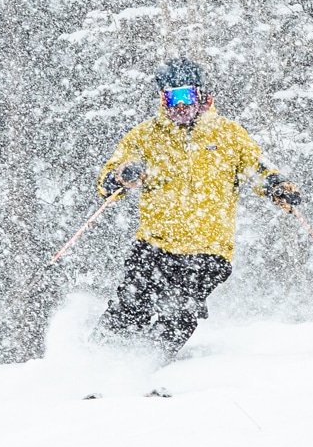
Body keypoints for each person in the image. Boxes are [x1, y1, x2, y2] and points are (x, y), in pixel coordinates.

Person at [94, 56, 301, 361]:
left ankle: (144, 369)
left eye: (186, 95)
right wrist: (121, 175)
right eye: (171, 97)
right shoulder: (145, 137)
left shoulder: (228, 135)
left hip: (207, 250)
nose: (179, 105)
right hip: (155, 245)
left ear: (201, 94)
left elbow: (257, 168)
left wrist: (276, 186)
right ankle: (93, 365)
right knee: (131, 305)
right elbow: (108, 181)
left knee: (179, 309)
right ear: (162, 98)